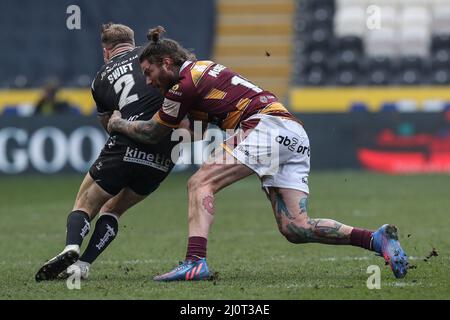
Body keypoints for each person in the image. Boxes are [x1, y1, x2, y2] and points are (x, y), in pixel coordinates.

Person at [107, 26, 409, 281]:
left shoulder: (183, 85)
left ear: (168, 63)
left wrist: (119, 124)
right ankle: (375, 238)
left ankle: (195, 261)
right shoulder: (201, 73)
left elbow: (153, 131)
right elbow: (194, 131)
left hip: (264, 127)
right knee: (295, 228)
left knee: (200, 183)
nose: (148, 81)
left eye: (149, 73)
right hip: (291, 132)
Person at [35, 23, 180, 281]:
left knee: (84, 203)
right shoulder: (152, 60)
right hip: (168, 149)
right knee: (113, 210)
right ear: (133, 42)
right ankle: (83, 265)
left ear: (105, 52)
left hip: (127, 142)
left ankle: (71, 247)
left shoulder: (100, 77)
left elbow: (108, 125)